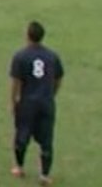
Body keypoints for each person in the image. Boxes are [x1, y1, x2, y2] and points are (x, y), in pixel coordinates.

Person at [9, 21, 64, 185]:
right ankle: (44, 176)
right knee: (47, 139)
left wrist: (13, 102)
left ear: (28, 35)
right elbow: (59, 78)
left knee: (22, 135)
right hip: (46, 103)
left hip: (27, 103)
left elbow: (16, 82)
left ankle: (19, 167)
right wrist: (52, 94)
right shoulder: (52, 56)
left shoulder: (20, 56)